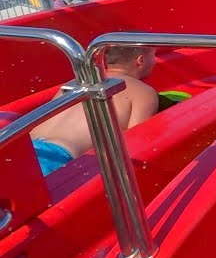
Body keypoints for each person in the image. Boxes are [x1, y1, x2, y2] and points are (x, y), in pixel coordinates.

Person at [30, 46, 160, 175]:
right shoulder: (143, 92)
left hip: (28, 151)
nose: (155, 61)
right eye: (153, 56)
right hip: (56, 159)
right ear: (141, 60)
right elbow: (136, 146)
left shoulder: (78, 83)